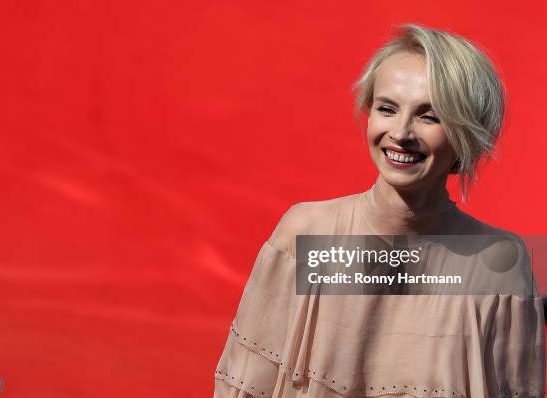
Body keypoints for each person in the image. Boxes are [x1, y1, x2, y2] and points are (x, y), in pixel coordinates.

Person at [213, 24, 545, 397]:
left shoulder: (500, 263)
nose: (401, 132)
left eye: (430, 116)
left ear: (467, 133)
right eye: (387, 109)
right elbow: (241, 386)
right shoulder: (307, 233)